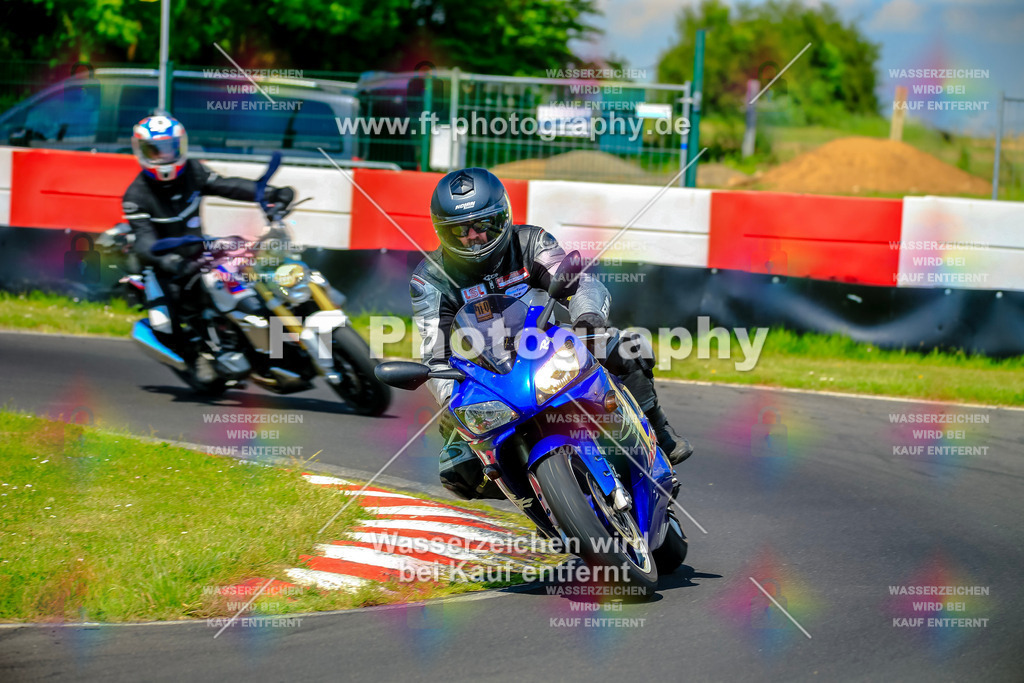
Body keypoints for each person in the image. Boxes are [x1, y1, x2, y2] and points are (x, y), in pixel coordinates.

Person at [410, 168, 693, 496]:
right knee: (456, 470)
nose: (474, 237)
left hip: (553, 342)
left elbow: (580, 282)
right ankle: (538, 500)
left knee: (628, 348)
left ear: (503, 218)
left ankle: (659, 432)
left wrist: (586, 314)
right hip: (488, 375)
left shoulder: (532, 241)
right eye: (460, 229)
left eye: (484, 225)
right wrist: (451, 400)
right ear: (442, 232)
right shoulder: (429, 279)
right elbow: (435, 352)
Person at [121, 113, 294, 325]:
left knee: (248, 291)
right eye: (155, 150)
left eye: (170, 148)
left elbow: (227, 185)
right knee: (163, 323)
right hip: (165, 267)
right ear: (141, 151)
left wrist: (271, 194)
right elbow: (144, 240)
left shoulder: (193, 170)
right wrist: (168, 261)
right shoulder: (135, 196)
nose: (163, 156)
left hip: (199, 254)